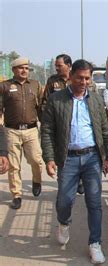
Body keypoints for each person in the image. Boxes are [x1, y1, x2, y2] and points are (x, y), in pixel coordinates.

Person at [41, 59, 108, 264]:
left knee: (95, 202)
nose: (84, 82)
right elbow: (47, 131)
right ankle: (63, 223)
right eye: (80, 77)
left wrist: (105, 157)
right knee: (64, 200)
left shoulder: (96, 100)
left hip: (92, 158)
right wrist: (50, 158)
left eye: (87, 78)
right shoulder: (56, 100)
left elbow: (104, 130)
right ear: (70, 77)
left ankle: (95, 244)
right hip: (68, 159)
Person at [0, 57, 44, 209]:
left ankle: (36, 181)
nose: (24, 70)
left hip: (31, 130)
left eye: (26, 68)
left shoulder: (36, 85)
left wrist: (45, 124)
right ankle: (16, 195)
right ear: (13, 70)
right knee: (14, 165)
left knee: (36, 161)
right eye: (20, 68)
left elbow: (40, 107)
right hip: (11, 130)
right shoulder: (4, 86)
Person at [41, 54, 85, 195]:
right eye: (56, 65)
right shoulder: (52, 81)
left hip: (77, 124)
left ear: (69, 66)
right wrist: (47, 120)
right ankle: (65, 184)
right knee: (63, 154)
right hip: (59, 125)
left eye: (59, 65)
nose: (57, 68)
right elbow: (45, 102)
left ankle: (79, 180)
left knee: (79, 150)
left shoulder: (77, 79)